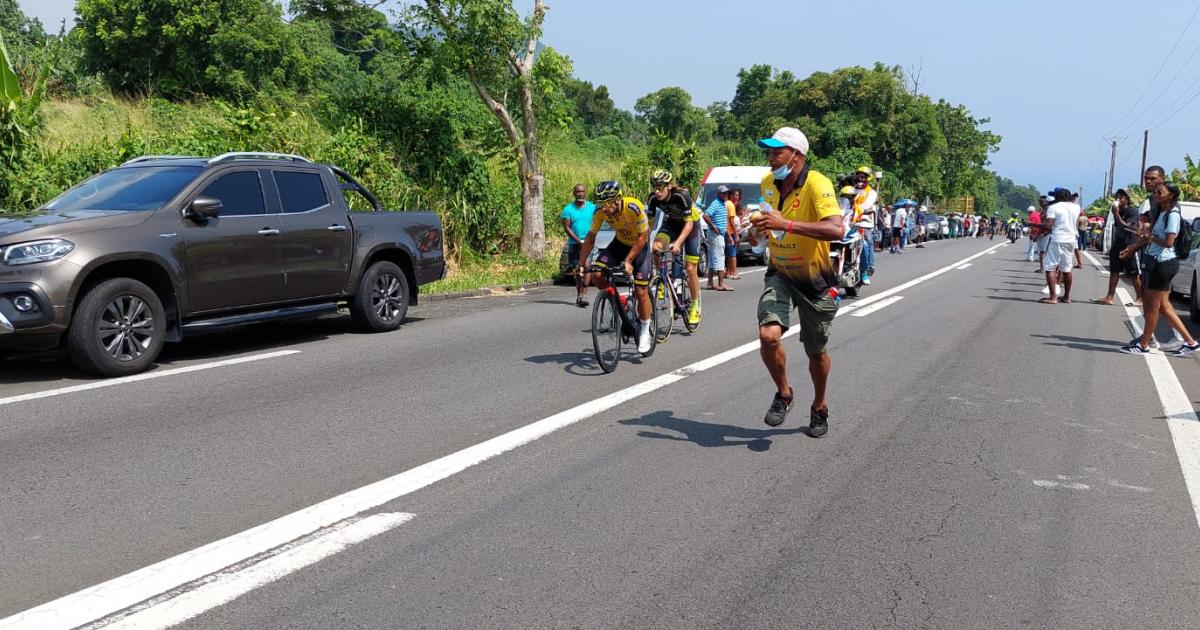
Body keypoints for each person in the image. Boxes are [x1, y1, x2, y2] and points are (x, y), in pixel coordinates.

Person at [750, 127, 844, 437]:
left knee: (816, 352)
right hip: (779, 271)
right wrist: (757, 231)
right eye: (770, 151)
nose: (770, 157)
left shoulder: (817, 184)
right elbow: (769, 227)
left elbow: (836, 229)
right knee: (768, 336)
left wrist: (785, 223)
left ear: (796, 157)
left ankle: (819, 405)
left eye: (777, 152)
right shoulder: (767, 184)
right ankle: (784, 393)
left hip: (814, 277)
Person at [1120, 183, 1200, 355]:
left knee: (1153, 305)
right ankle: (1190, 342)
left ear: (1170, 195)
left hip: (1163, 263)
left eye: (1160, 192)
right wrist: (1143, 239)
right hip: (1158, 262)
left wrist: (1150, 237)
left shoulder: (1172, 214)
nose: (1155, 194)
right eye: (1155, 192)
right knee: (1163, 306)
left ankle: (1144, 344)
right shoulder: (1162, 212)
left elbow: (1169, 242)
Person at [577, 180, 655, 354]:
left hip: (639, 246)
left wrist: (628, 261)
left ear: (618, 199)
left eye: (606, 203)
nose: (603, 207)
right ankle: (620, 301)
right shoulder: (600, 212)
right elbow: (591, 238)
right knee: (597, 274)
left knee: (641, 291)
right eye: (600, 203)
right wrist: (581, 264)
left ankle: (644, 329)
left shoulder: (633, 207)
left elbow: (643, 236)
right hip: (619, 244)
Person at [646, 169, 703, 325]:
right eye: (654, 188)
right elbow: (649, 225)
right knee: (656, 247)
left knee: (691, 268)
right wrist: (643, 242)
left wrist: (678, 243)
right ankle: (661, 280)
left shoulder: (681, 196)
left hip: (690, 226)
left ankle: (694, 305)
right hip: (671, 224)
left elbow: (689, 223)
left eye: (660, 188)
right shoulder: (652, 199)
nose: (657, 192)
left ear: (669, 186)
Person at [1096, 189, 1143, 305]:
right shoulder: (1117, 211)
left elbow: (1127, 225)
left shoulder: (1133, 211)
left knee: (1133, 273)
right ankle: (1109, 297)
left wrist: (1116, 213)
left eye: (1121, 197)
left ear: (1127, 199)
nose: (1118, 199)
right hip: (1118, 243)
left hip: (1129, 244)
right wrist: (1115, 213)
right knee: (1114, 271)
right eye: (1117, 197)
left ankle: (1140, 298)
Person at [1038, 187, 1080, 304]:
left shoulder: (1053, 208)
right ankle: (1067, 297)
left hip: (1057, 239)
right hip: (1071, 240)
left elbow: (1048, 226)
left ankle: (1053, 297)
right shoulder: (1076, 207)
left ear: (1058, 196)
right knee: (1067, 269)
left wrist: (1033, 224)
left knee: (1050, 267)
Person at [561, 183, 597, 308]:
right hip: (574, 244)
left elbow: (596, 224)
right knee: (577, 270)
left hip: (588, 243)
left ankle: (584, 295)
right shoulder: (568, 209)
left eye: (582, 192)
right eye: (578, 192)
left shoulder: (593, 208)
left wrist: (588, 240)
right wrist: (578, 241)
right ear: (574, 193)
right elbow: (567, 227)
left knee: (587, 267)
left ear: (585, 193)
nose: (580, 194)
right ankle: (579, 294)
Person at [852, 167, 878, 284]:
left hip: (865, 224)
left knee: (866, 244)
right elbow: (843, 203)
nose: (860, 179)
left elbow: (866, 206)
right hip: (850, 223)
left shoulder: (872, 193)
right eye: (858, 177)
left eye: (863, 177)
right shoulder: (851, 190)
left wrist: (855, 210)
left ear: (867, 179)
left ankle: (866, 270)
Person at [703, 186, 731, 291]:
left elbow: (723, 223)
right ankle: (721, 283)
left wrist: (728, 235)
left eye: (727, 194)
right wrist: (713, 226)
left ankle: (710, 282)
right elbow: (706, 215)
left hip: (718, 234)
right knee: (720, 257)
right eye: (723, 194)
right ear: (718, 194)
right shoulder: (716, 203)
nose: (726, 195)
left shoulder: (722, 204)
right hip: (715, 235)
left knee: (712, 257)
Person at [725, 189, 741, 280]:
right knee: (732, 254)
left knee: (729, 253)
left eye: (738, 195)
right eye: (735, 195)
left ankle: (728, 271)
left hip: (726, 231)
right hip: (730, 231)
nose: (737, 197)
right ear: (731, 196)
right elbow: (731, 221)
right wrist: (736, 234)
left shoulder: (726, 203)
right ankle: (734, 273)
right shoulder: (730, 205)